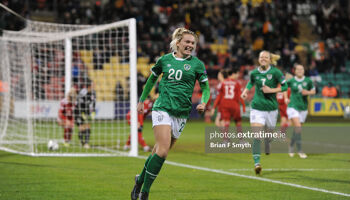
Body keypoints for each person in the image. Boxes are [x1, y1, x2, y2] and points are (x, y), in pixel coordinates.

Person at [130, 27, 210, 200]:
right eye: (187, 42)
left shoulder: (197, 64)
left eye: (193, 43)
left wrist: (204, 101)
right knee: (163, 151)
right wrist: (142, 100)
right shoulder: (164, 60)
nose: (190, 45)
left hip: (181, 113)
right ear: (178, 42)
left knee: (157, 152)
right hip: (162, 107)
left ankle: (140, 179)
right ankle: (145, 191)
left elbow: (205, 87)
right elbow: (152, 78)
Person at [241, 50, 287, 175]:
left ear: (270, 59)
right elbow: (251, 82)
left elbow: (285, 86)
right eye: (261, 57)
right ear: (258, 59)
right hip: (257, 107)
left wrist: (272, 90)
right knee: (257, 136)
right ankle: (257, 163)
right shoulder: (254, 72)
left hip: (271, 108)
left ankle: (268, 142)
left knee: (268, 134)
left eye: (265, 57)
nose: (263, 59)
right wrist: (245, 91)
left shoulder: (276, 72)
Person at [285, 64, 315, 158]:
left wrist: (308, 92)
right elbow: (284, 88)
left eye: (301, 69)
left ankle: (290, 146)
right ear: (295, 71)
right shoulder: (291, 80)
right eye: (298, 69)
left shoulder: (308, 81)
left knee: (297, 130)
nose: (299, 71)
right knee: (298, 127)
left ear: (304, 71)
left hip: (303, 107)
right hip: (293, 106)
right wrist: (286, 98)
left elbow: (313, 91)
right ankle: (300, 151)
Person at [211, 68, 245, 142]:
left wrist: (214, 107)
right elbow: (240, 95)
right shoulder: (235, 83)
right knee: (236, 122)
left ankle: (226, 139)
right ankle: (237, 140)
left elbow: (219, 96)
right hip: (231, 106)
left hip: (223, 106)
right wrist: (243, 106)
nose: (218, 76)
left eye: (219, 75)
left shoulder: (223, 83)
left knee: (223, 123)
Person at [74, 78, 96, 149]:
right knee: (82, 128)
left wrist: (93, 112)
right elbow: (79, 104)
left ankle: (86, 143)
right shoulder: (83, 93)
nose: (94, 85)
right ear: (89, 86)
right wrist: (82, 114)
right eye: (93, 84)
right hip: (78, 112)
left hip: (86, 111)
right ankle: (82, 142)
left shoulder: (93, 93)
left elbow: (93, 103)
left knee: (88, 127)